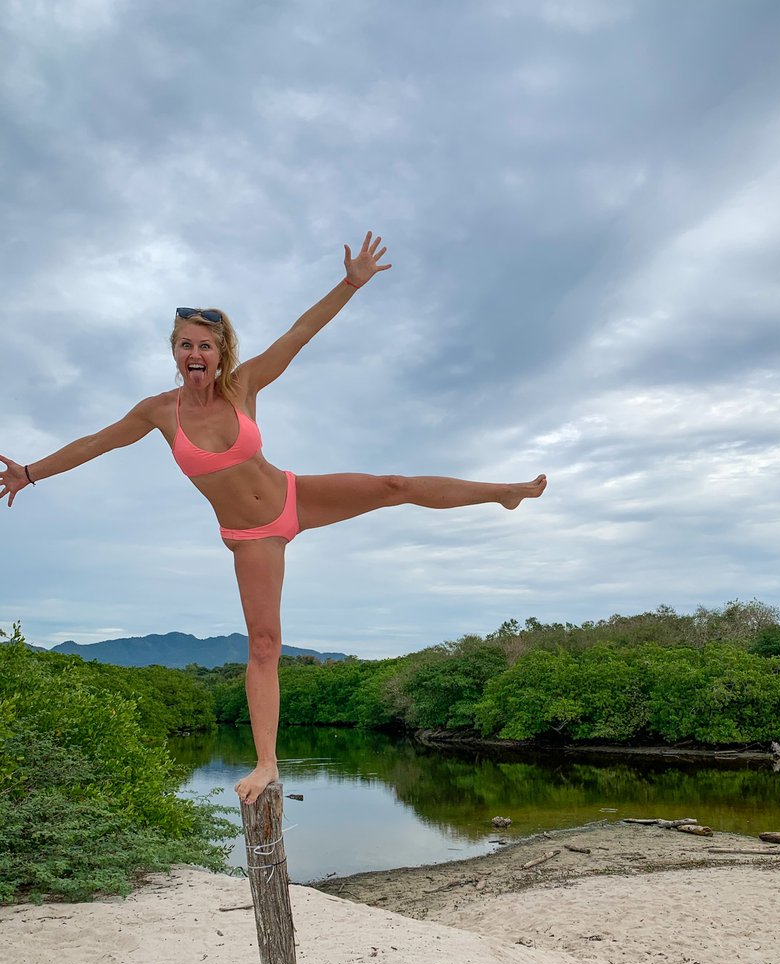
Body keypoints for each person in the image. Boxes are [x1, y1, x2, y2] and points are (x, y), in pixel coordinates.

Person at [1, 233, 547, 804]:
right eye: (186, 345)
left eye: (206, 346)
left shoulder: (244, 385)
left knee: (394, 485)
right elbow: (96, 443)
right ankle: (266, 764)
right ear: (175, 352)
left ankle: (504, 492)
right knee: (265, 645)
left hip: (293, 495)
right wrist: (30, 473)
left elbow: (300, 333)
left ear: (221, 352)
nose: (196, 354)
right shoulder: (158, 412)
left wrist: (350, 283)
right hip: (251, 537)